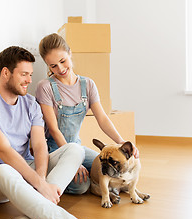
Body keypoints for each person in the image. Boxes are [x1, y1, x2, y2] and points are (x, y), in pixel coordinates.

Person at [0, 46, 122, 219]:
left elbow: (40, 145)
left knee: (74, 149)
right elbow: (3, 149)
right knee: (5, 171)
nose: (29, 81)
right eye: (24, 74)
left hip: (28, 169)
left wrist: (40, 179)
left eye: (30, 74)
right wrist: (40, 183)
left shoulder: (31, 103)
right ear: (5, 73)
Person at [35, 33, 139, 195]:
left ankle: (88, 180)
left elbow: (103, 119)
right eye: (53, 66)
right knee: (81, 186)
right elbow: (53, 129)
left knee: (104, 165)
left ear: (70, 53)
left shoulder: (88, 85)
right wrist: (73, 162)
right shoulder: (45, 87)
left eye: (63, 61)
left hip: (78, 146)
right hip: (55, 150)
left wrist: (121, 141)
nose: (60, 69)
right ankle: (53, 176)